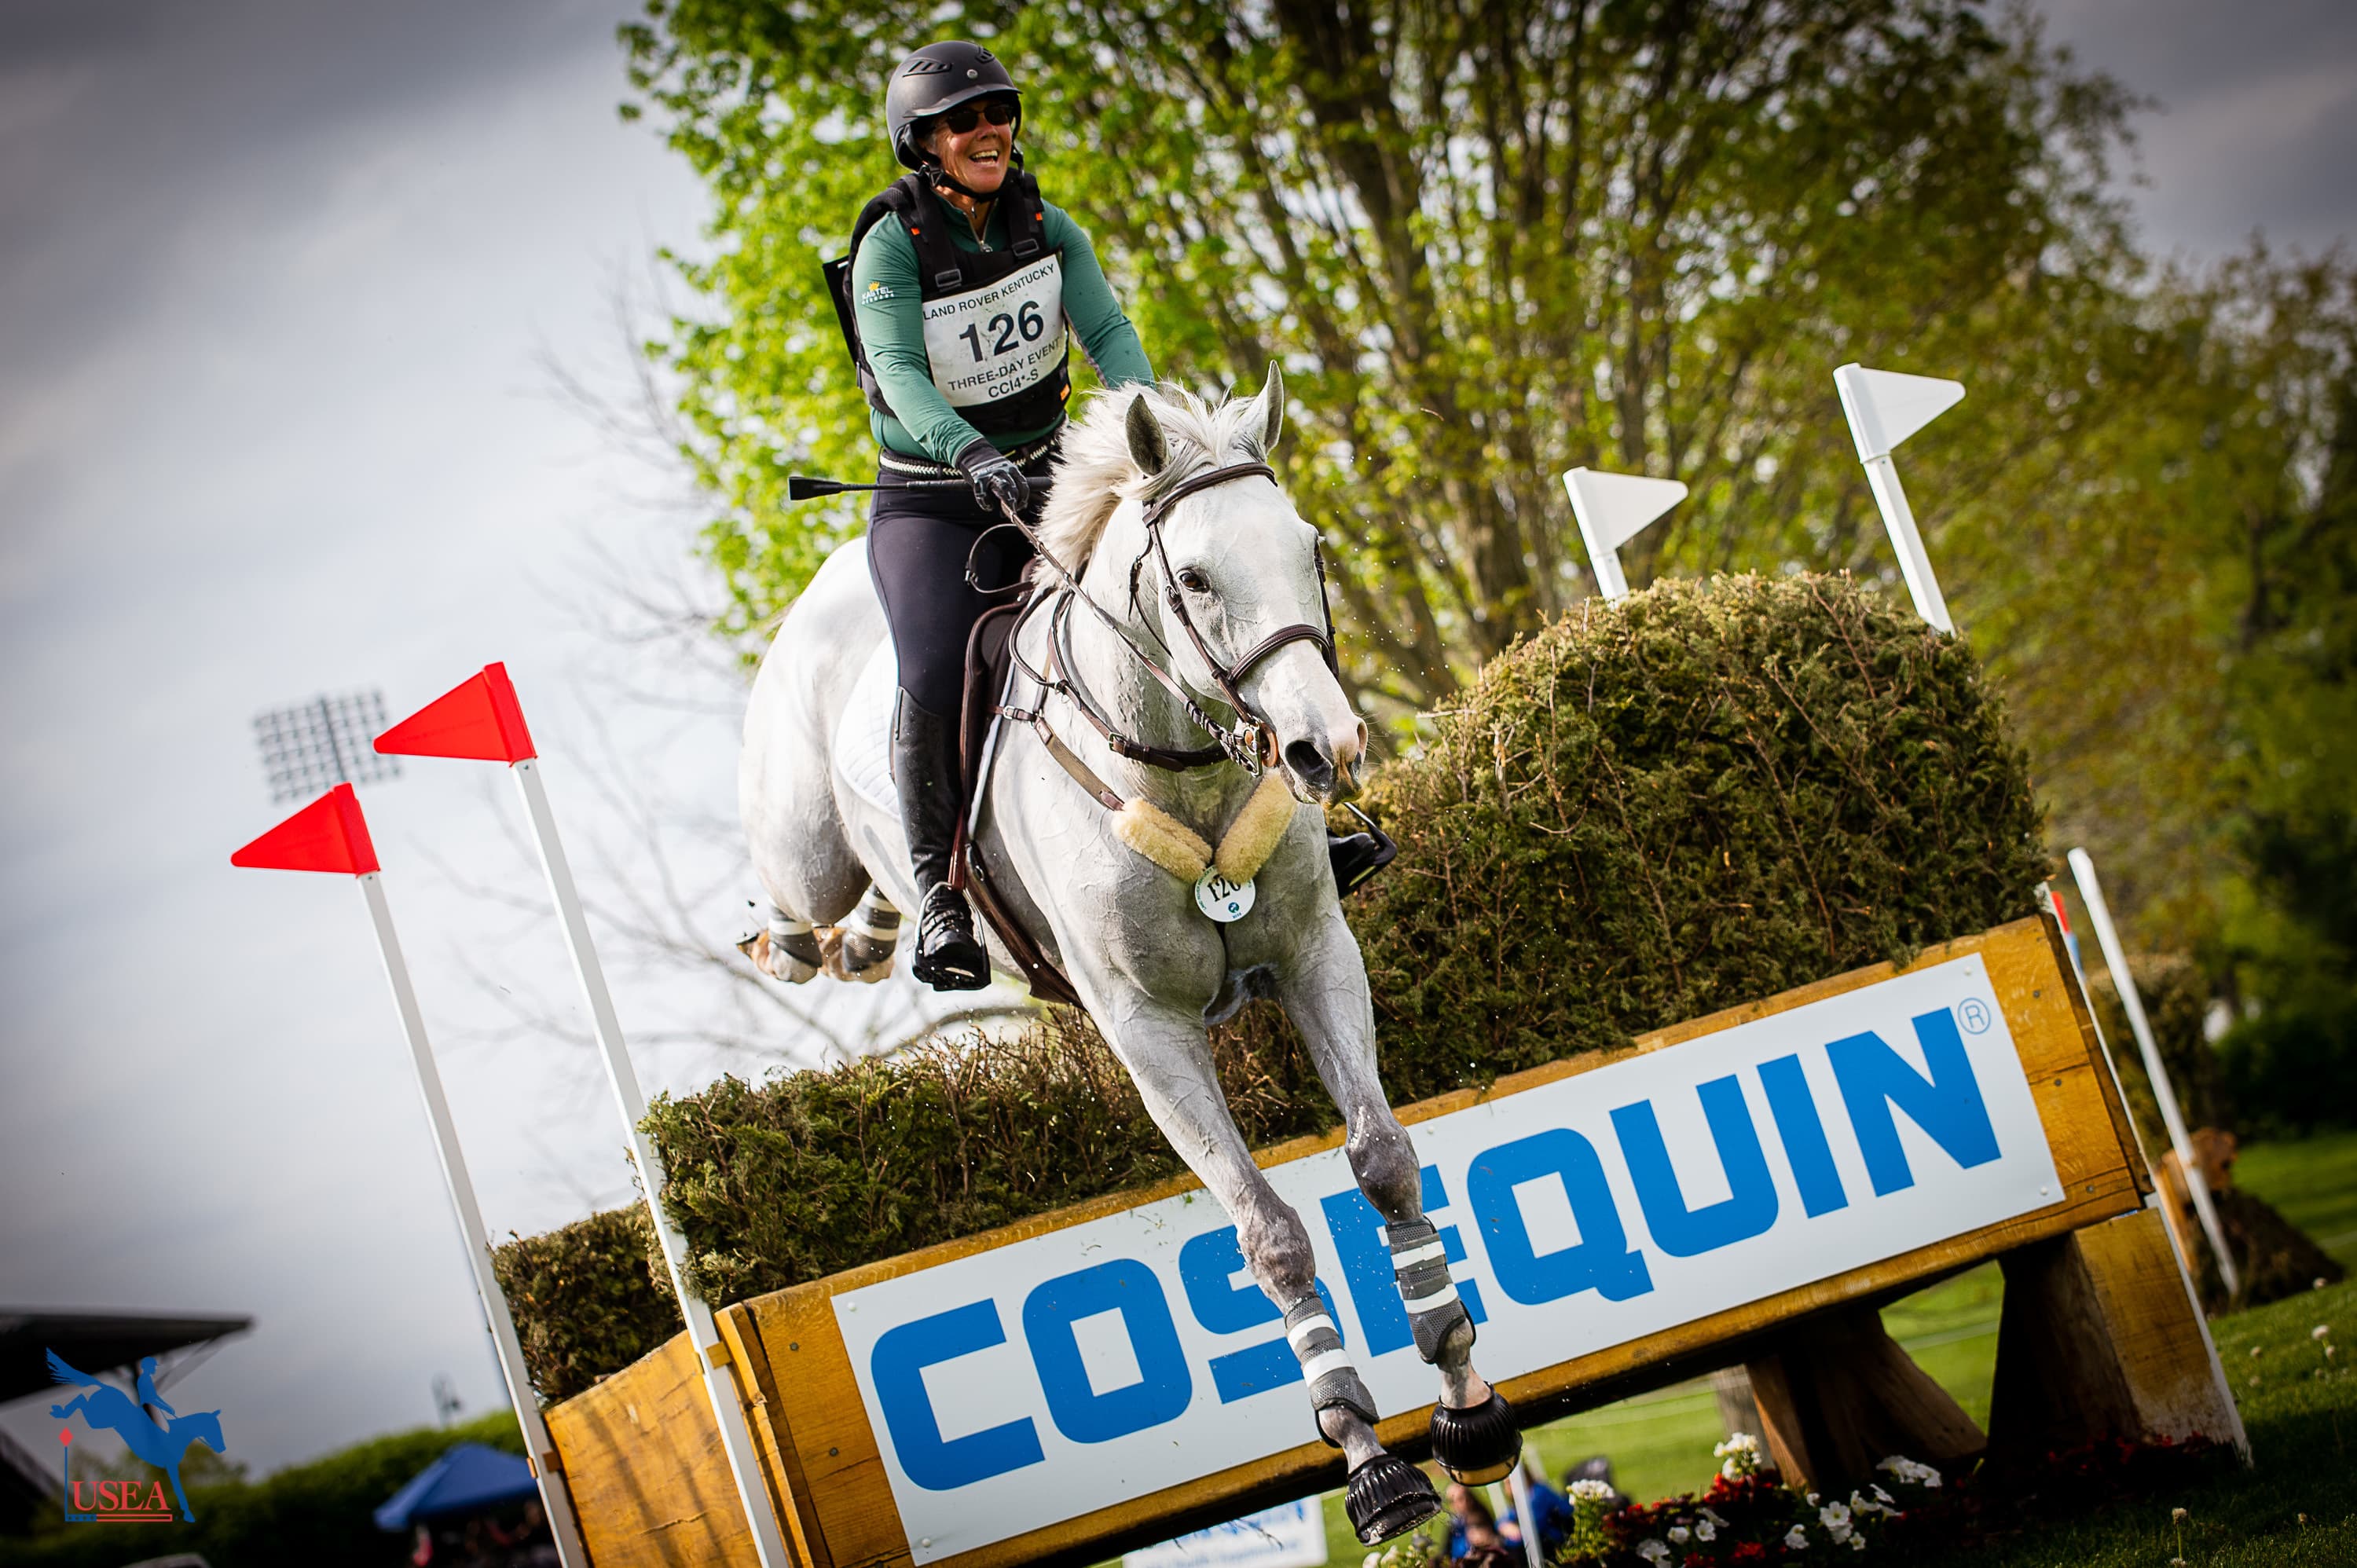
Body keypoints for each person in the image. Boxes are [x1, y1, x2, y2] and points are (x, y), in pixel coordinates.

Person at [836, 40, 1155, 990]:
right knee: (936, 665)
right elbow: (897, 371)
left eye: (998, 113)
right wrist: (967, 449)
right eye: (963, 121)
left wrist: (1148, 423)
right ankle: (936, 895)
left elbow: (1107, 333)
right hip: (933, 496)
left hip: (1052, 470)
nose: (988, 131)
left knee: (1172, 585)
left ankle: (1292, 805)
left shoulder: (1047, 224)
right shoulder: (892, 243)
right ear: (923, 144)